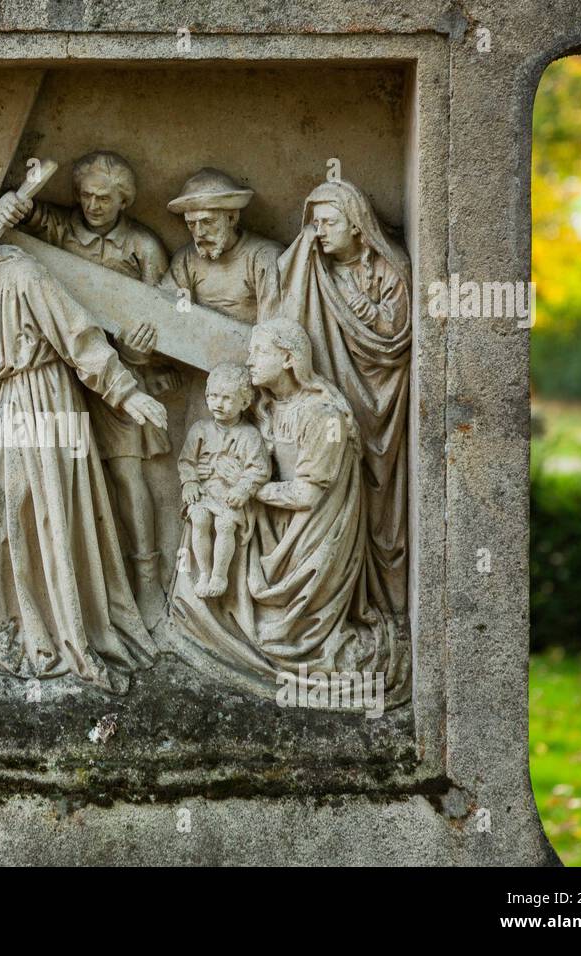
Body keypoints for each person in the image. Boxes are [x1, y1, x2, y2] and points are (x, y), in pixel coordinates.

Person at [0, 207, 166, 694]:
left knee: (48, 513)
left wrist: (128, 393)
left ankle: (66, 631)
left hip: (48, 400)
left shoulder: (23, 275)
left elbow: (77, 337)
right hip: (11, 404)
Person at [169, 319, 410, 706]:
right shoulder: (266, 407)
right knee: (203, 521)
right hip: (272, 522)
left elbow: (307, 496)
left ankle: (281, 629)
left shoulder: (324, 414)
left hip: (311, 536)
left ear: (288, 358)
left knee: (266, 619)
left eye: (258, 352)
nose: (249, 360)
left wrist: (248, 487)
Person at [0, 150, 177, 627]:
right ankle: (73, 591)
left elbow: (170, 328)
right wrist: (13, 202)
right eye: (87, 196)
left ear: (125, 201)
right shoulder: (62, 226)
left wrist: (139, 355)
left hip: (116, 372)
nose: (93, 206)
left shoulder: (143, 247)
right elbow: (20, 219)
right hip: (58, 373)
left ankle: (148, 583)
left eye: (105, 199)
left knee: (126, 476)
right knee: (58, 479)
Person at [278, 179, 411, 613]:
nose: (320, 232)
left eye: (330, 222)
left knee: (378, 497)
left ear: (356, 225)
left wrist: (360, 306)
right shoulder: (317, 270)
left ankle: (380, 597)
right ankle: (340, 596)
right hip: (334, 393)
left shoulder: (388, 270)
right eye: (315, 223)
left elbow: (395, 333)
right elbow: (285, 298)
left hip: (381, 393)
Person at [177, 363, 269, 598]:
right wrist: (189, 482)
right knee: (199, 518)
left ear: (244, 402)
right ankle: (204, 573)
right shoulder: (200, 429)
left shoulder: (249, 435)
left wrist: (243, 488)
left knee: (224, 524)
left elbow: (259, 469)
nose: (219, 403)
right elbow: (186, 460)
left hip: (231, 496)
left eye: (227, 398)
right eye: (214, 396)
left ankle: (219, 574)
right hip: (205, 493)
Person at [161, 167, 283, 325]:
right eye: (191, 224)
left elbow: (272, 327)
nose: (199, 232)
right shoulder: (186, 259)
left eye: (207, 222)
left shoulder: (264, 257)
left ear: (232, 218)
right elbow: (171, 312)